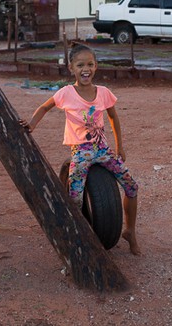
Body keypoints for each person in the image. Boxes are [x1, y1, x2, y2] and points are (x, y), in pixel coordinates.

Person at [19, 43, 141, 255]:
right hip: (81, 153)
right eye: (80, 65)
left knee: (132, 187)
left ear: (96, 66)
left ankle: (130, 231)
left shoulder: (103, 93)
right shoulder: (66, 93)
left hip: (103, 150)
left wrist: (120, 146)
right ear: (71, 68)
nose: (86, 69)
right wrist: (31, 124)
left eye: (90, 64)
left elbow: (113, 116)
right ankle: (75, 239)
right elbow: (44, 107)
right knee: (74, 199)